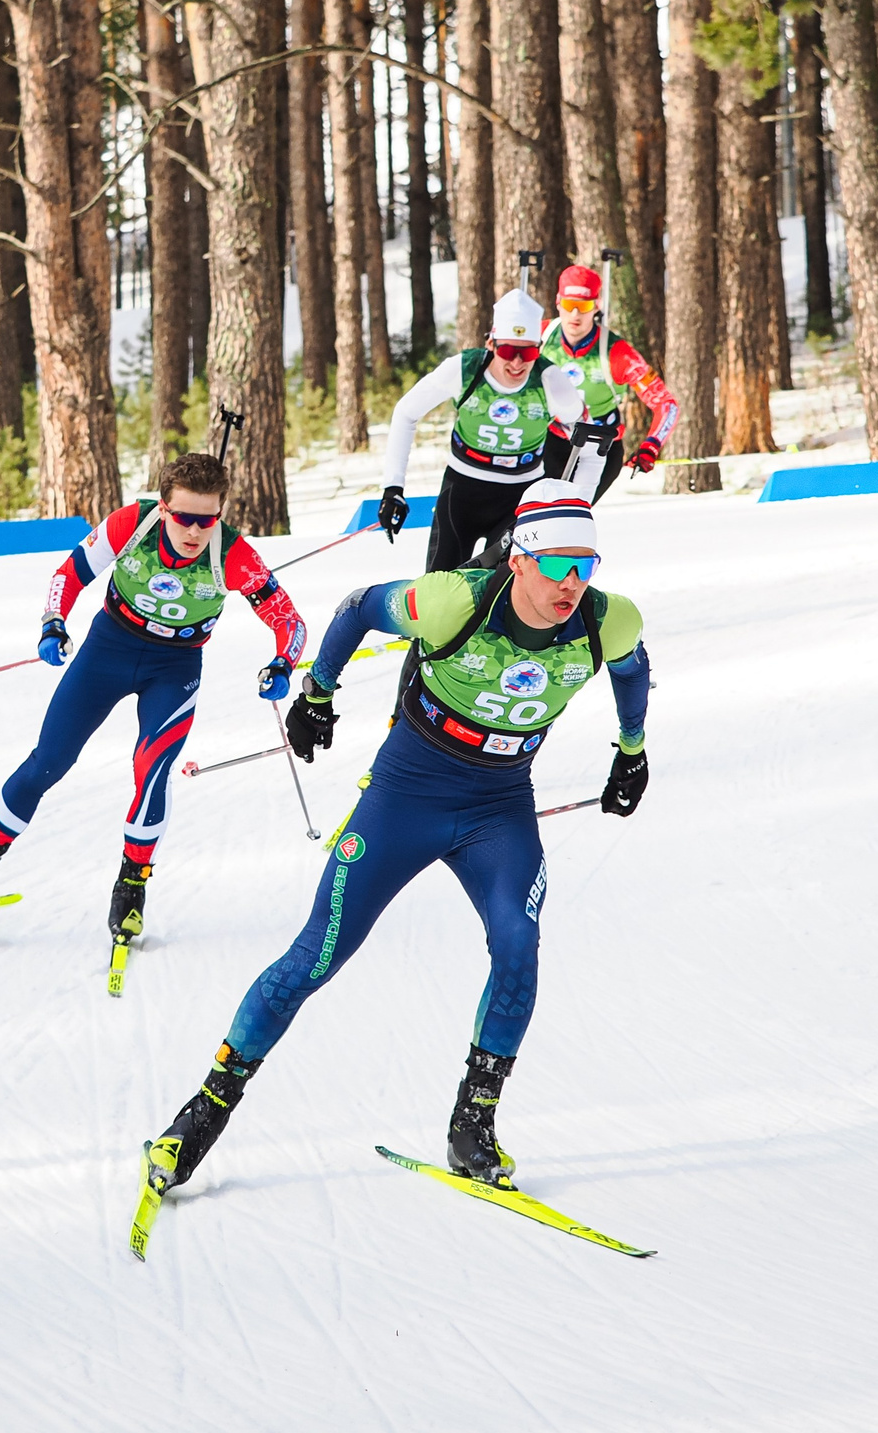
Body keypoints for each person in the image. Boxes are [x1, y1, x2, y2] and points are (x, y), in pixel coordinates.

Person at [142, 479, 651, 1202]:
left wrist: (632, 747)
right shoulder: (454, 601)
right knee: (316, 954)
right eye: (558, 564)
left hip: (499, 806)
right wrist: (317, 691)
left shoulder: (610, 620)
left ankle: (473, 1120)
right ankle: (203, 1110)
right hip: (406, 794)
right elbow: (356, 609)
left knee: (518, 942)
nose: (573, 583)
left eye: (586, 565)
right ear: (519, 559)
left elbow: (633, 669)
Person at [0, 452, 308, 951]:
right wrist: (53, 623)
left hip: (175, 668)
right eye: (184, 517)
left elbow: (290, 621)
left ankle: (131, 885)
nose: (194, 531)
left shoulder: (233, 554)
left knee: (151, 772)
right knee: (49, 761)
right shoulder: (132, 522)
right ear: (164, 508)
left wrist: (284, 664)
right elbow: (69, 574)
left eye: (207, 519)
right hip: (108, 650)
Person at [375, 288, 587, 573]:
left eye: (527, 352)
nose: (517, 362)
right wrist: (393, 488)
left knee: (504, 591)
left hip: (520, 494)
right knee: (440, 586)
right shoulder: (464, 369)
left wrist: (572, 493)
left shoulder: (549, 380)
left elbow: (582, 430)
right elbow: (405, 412)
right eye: (508, 350)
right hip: (463, 490)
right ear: (491, 343)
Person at [539, 262, 680, 501]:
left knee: (571, 522)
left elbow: (666, 404)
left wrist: (652, 445)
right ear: (558, 302)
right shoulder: (540, 336)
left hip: (600, 448)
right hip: (549, 442)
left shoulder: (617, 353)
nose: (575, 314)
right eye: (569, 305)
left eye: (583, 306)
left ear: (596, 306)